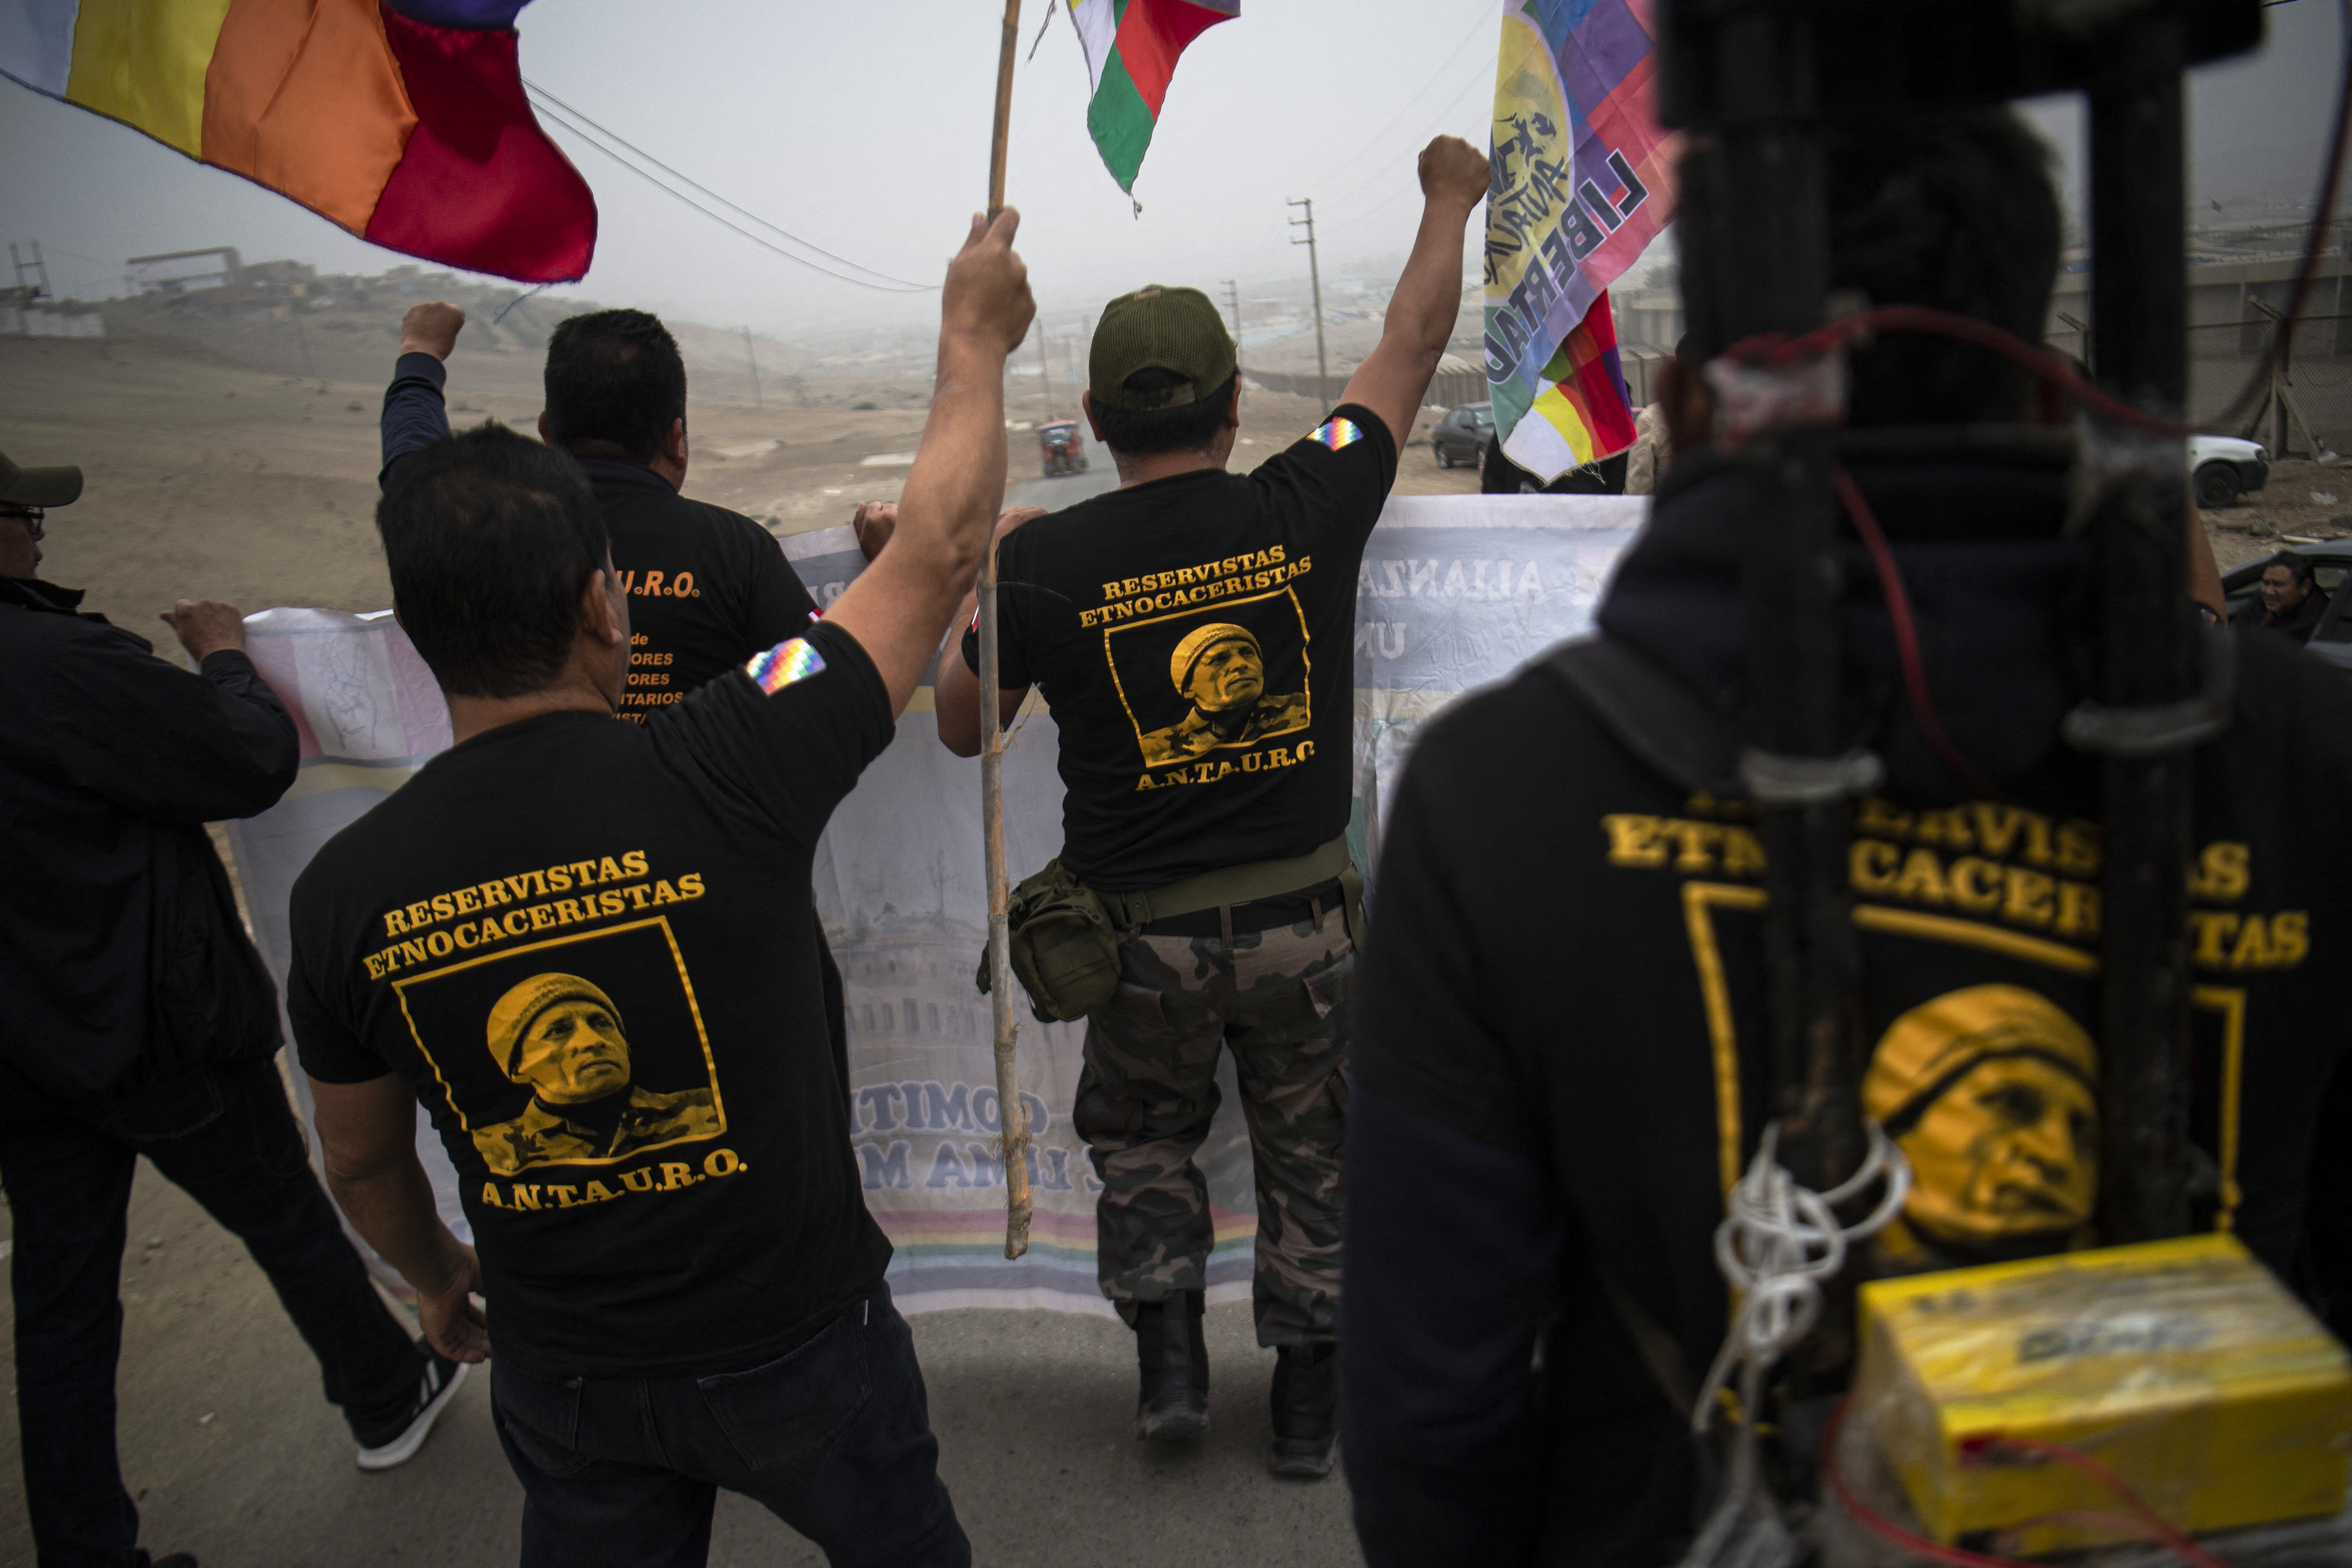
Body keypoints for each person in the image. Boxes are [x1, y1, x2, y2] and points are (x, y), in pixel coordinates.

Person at [1339, 108, 2352, 1565]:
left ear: (1685, 408)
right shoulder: (2300, 760)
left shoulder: (1502, 796)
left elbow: (1436, 1416)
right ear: (2045, 390)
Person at [288, 208, 1033, 1568]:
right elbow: (933, 555)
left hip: (567, 1375)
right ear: (601, 608)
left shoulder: (346, 894)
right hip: (804, 1343)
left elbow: (359, 1156)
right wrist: (973, 338)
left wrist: (442, 1278)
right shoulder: (734, 750)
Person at [933, 136, 1493, 1478]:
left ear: (1097, 415)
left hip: (1134, 946)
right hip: (1309, 927)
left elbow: (961, 728)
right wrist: (1444, 202)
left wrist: (976, 597)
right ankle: (1307, 1412)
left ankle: (1170, 1372)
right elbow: (1409, 351)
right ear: (1234, 407)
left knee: (1143, 1147)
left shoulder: (1045, 561)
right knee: (1322, 1162)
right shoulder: (1308, 501)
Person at [0, 451, 467, 1568]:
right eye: (19, 511)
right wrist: (223, 659)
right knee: (285, 1206)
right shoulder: (57, 662)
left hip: (20, 1053)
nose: (38, 531)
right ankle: (383, 1387)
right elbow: (246, 758)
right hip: (151, 1026)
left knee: (61, 1303)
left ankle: (82, 1546)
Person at [380, 301, 857, 1106]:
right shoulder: (729, 547)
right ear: (676, 436)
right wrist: (737, 699)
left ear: (544, 434)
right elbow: (812, 669)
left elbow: (408, 474)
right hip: (729, 913)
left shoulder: (488, 545)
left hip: (536, 916)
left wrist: (420, 357)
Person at [2235, 552, 2329, 641]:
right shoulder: (2259, 603)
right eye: (2266, 583)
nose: (2269, 592)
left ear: (2305, 587)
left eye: (2278, 585)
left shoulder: (2320, 624)